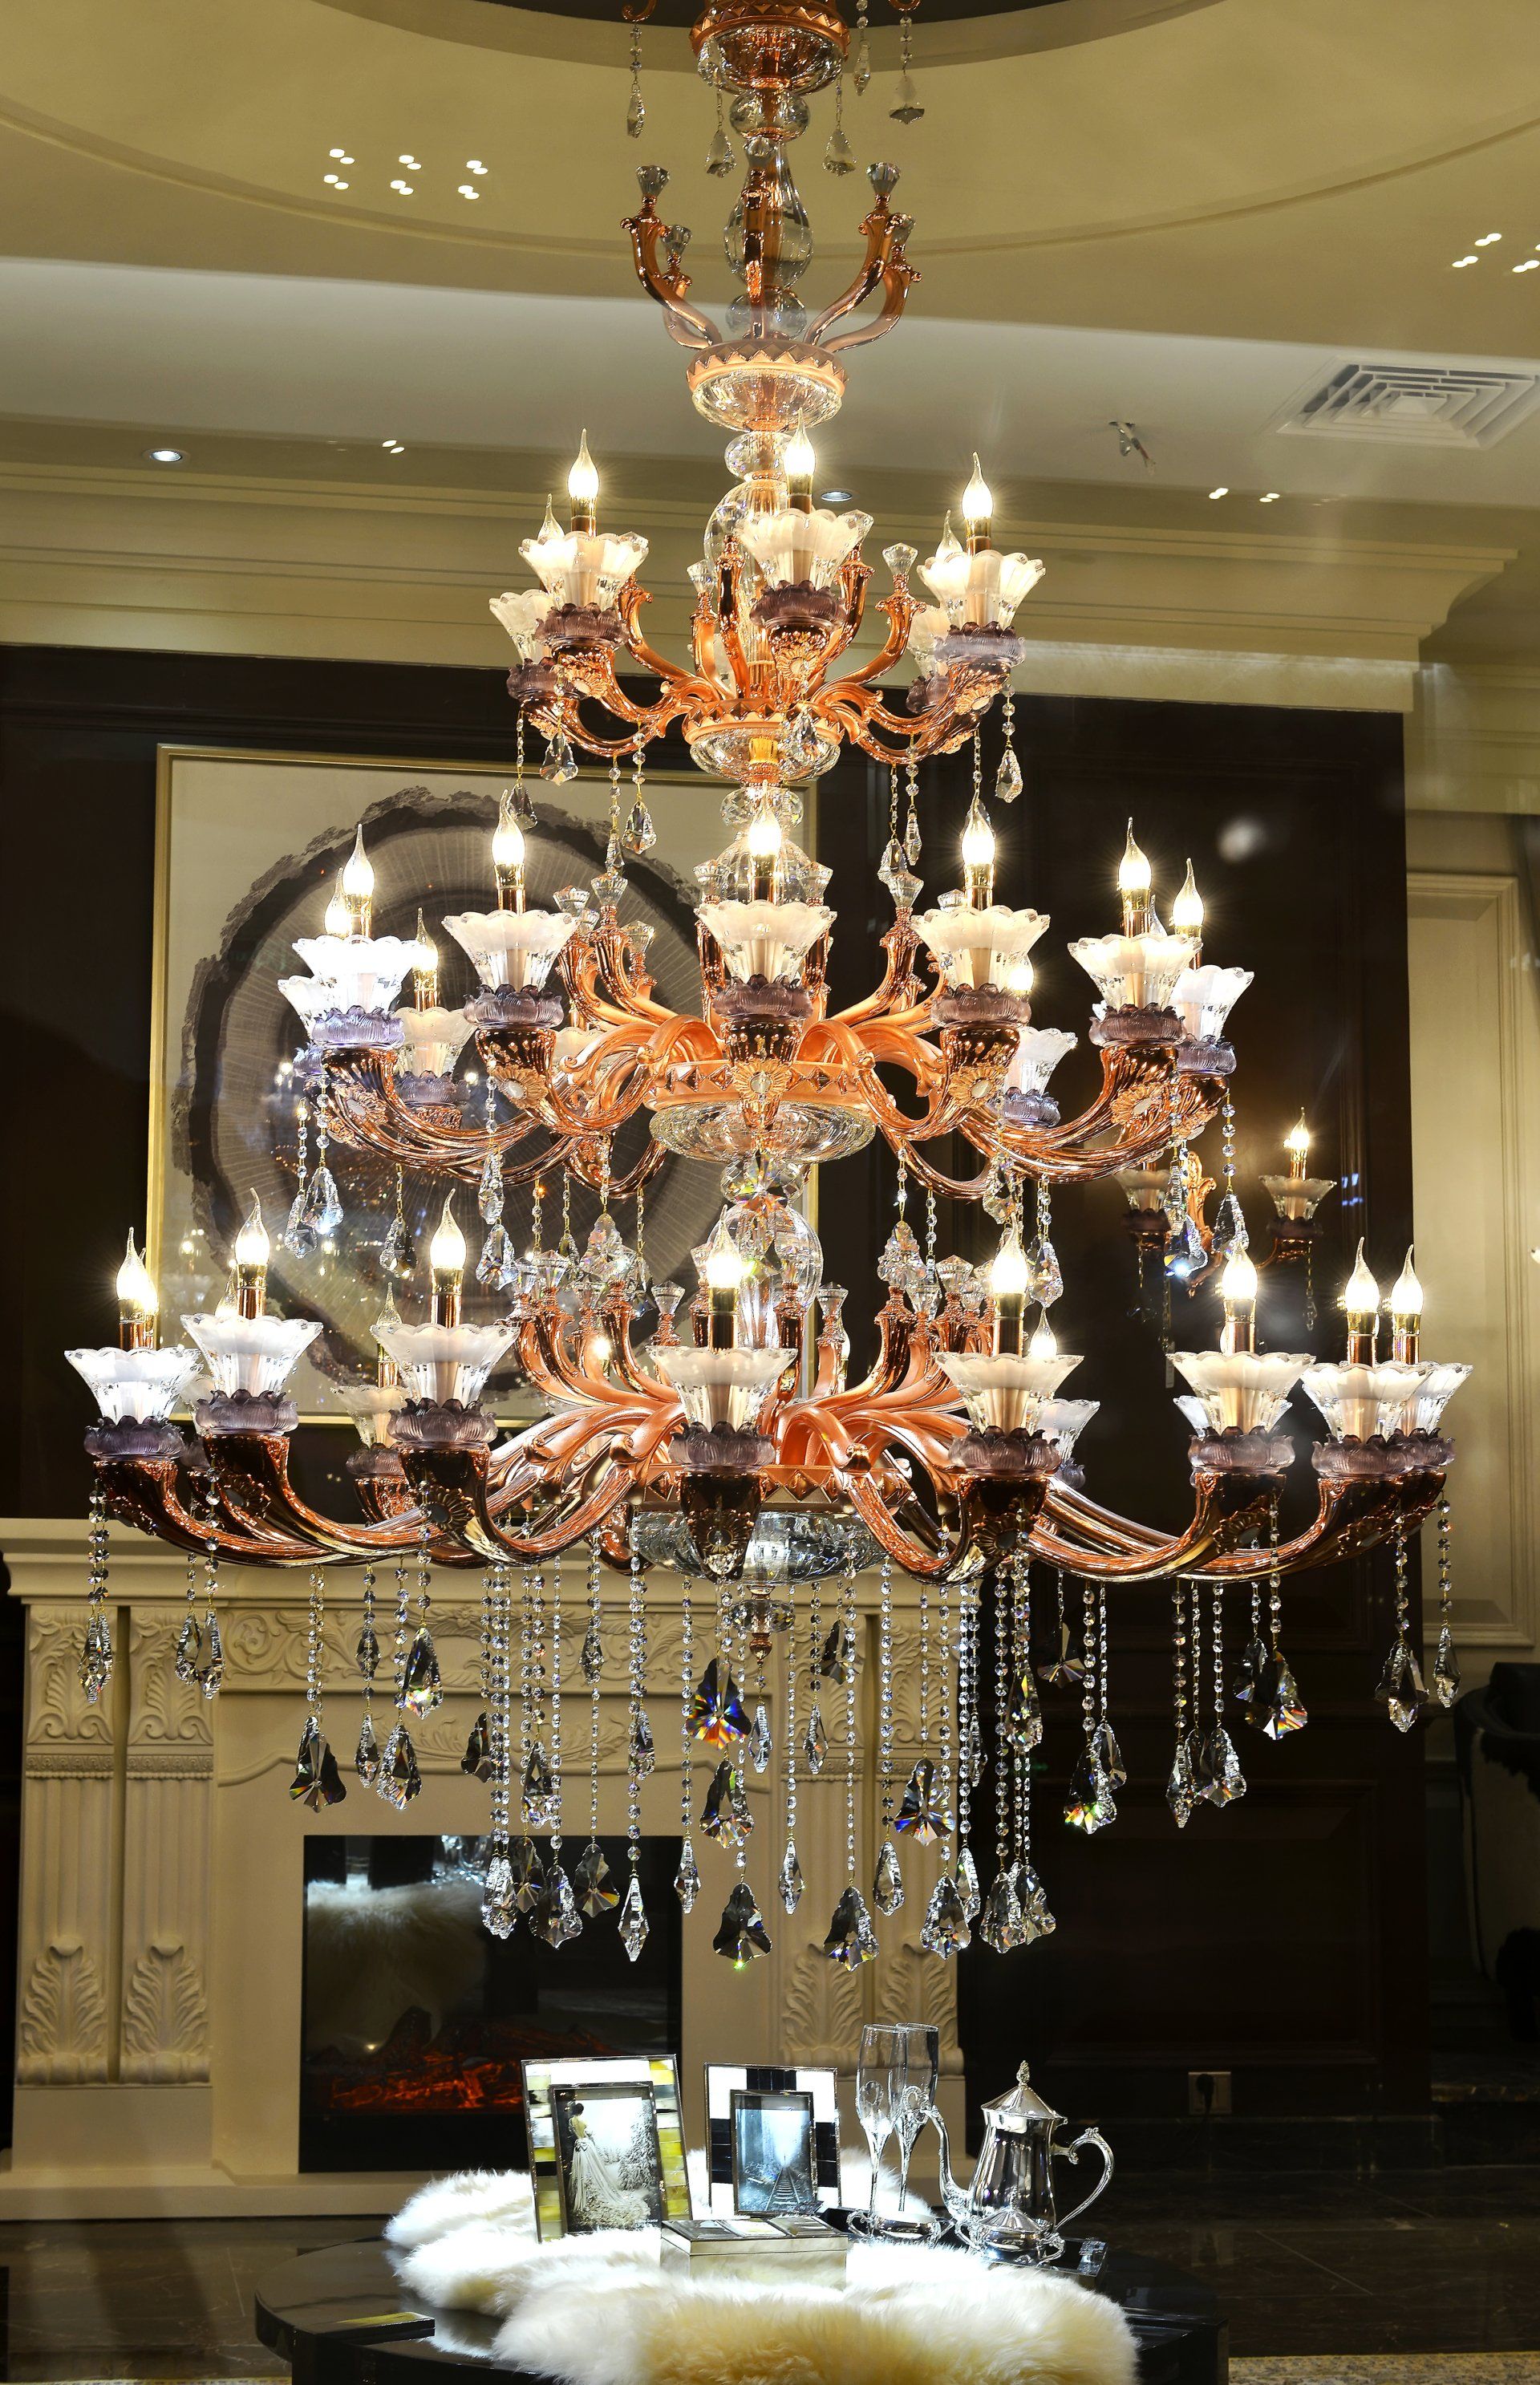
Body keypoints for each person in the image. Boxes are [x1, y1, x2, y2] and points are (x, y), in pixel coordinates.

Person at [563, 2101, 652, 2229]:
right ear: (581, 2111)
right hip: (587, 2146)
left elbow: (572, 2134)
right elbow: (588, 2134)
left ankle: (583, 2194)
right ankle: (589, 2191)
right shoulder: (583, 2122)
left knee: (582, 2170)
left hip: (579, 2147)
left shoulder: (572, 2121)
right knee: (592, 2169)